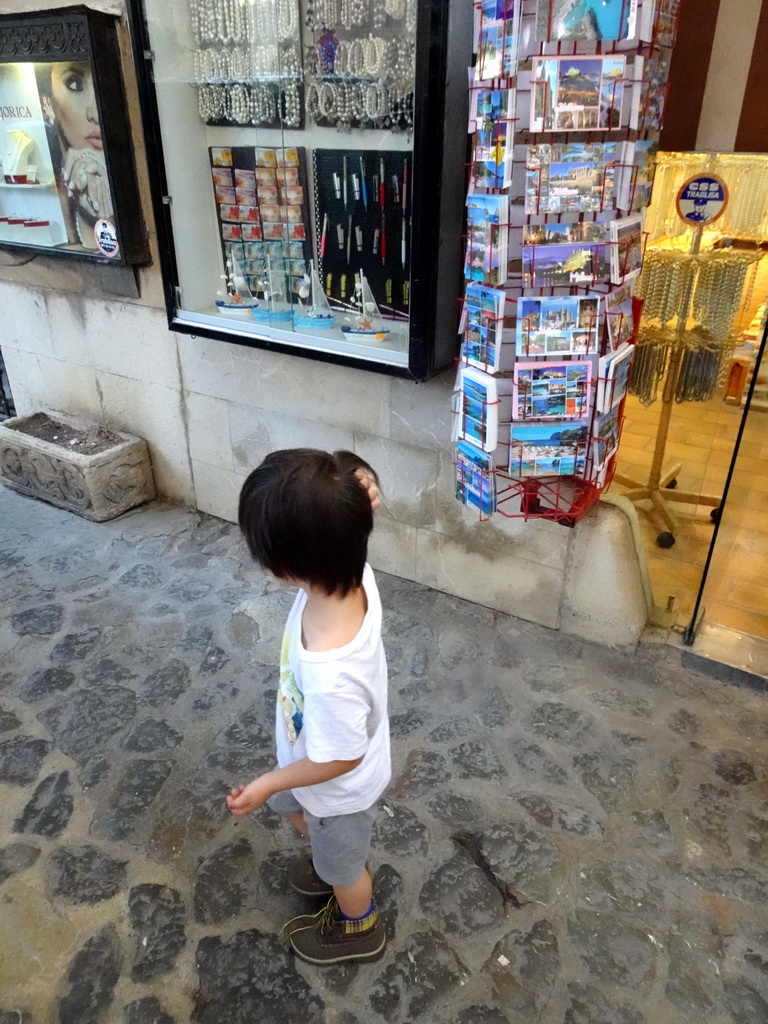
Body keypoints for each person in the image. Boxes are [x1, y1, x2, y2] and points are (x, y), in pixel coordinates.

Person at [228, 449, 390, 965]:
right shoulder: (352, 567)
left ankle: (358, 925)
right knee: (300, 816)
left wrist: (270, 782)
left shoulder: (331, 671)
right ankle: (326, 860)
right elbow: (345, 517)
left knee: (346, 871)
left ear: (285, 567)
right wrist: (358, 491)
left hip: (336, 790)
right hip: (310, 761)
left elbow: (342, 757)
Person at [35, 60, 114, 250]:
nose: (95, 113)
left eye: (105, 85)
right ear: (48, 103)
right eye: (75, 85)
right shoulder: (52, 196)